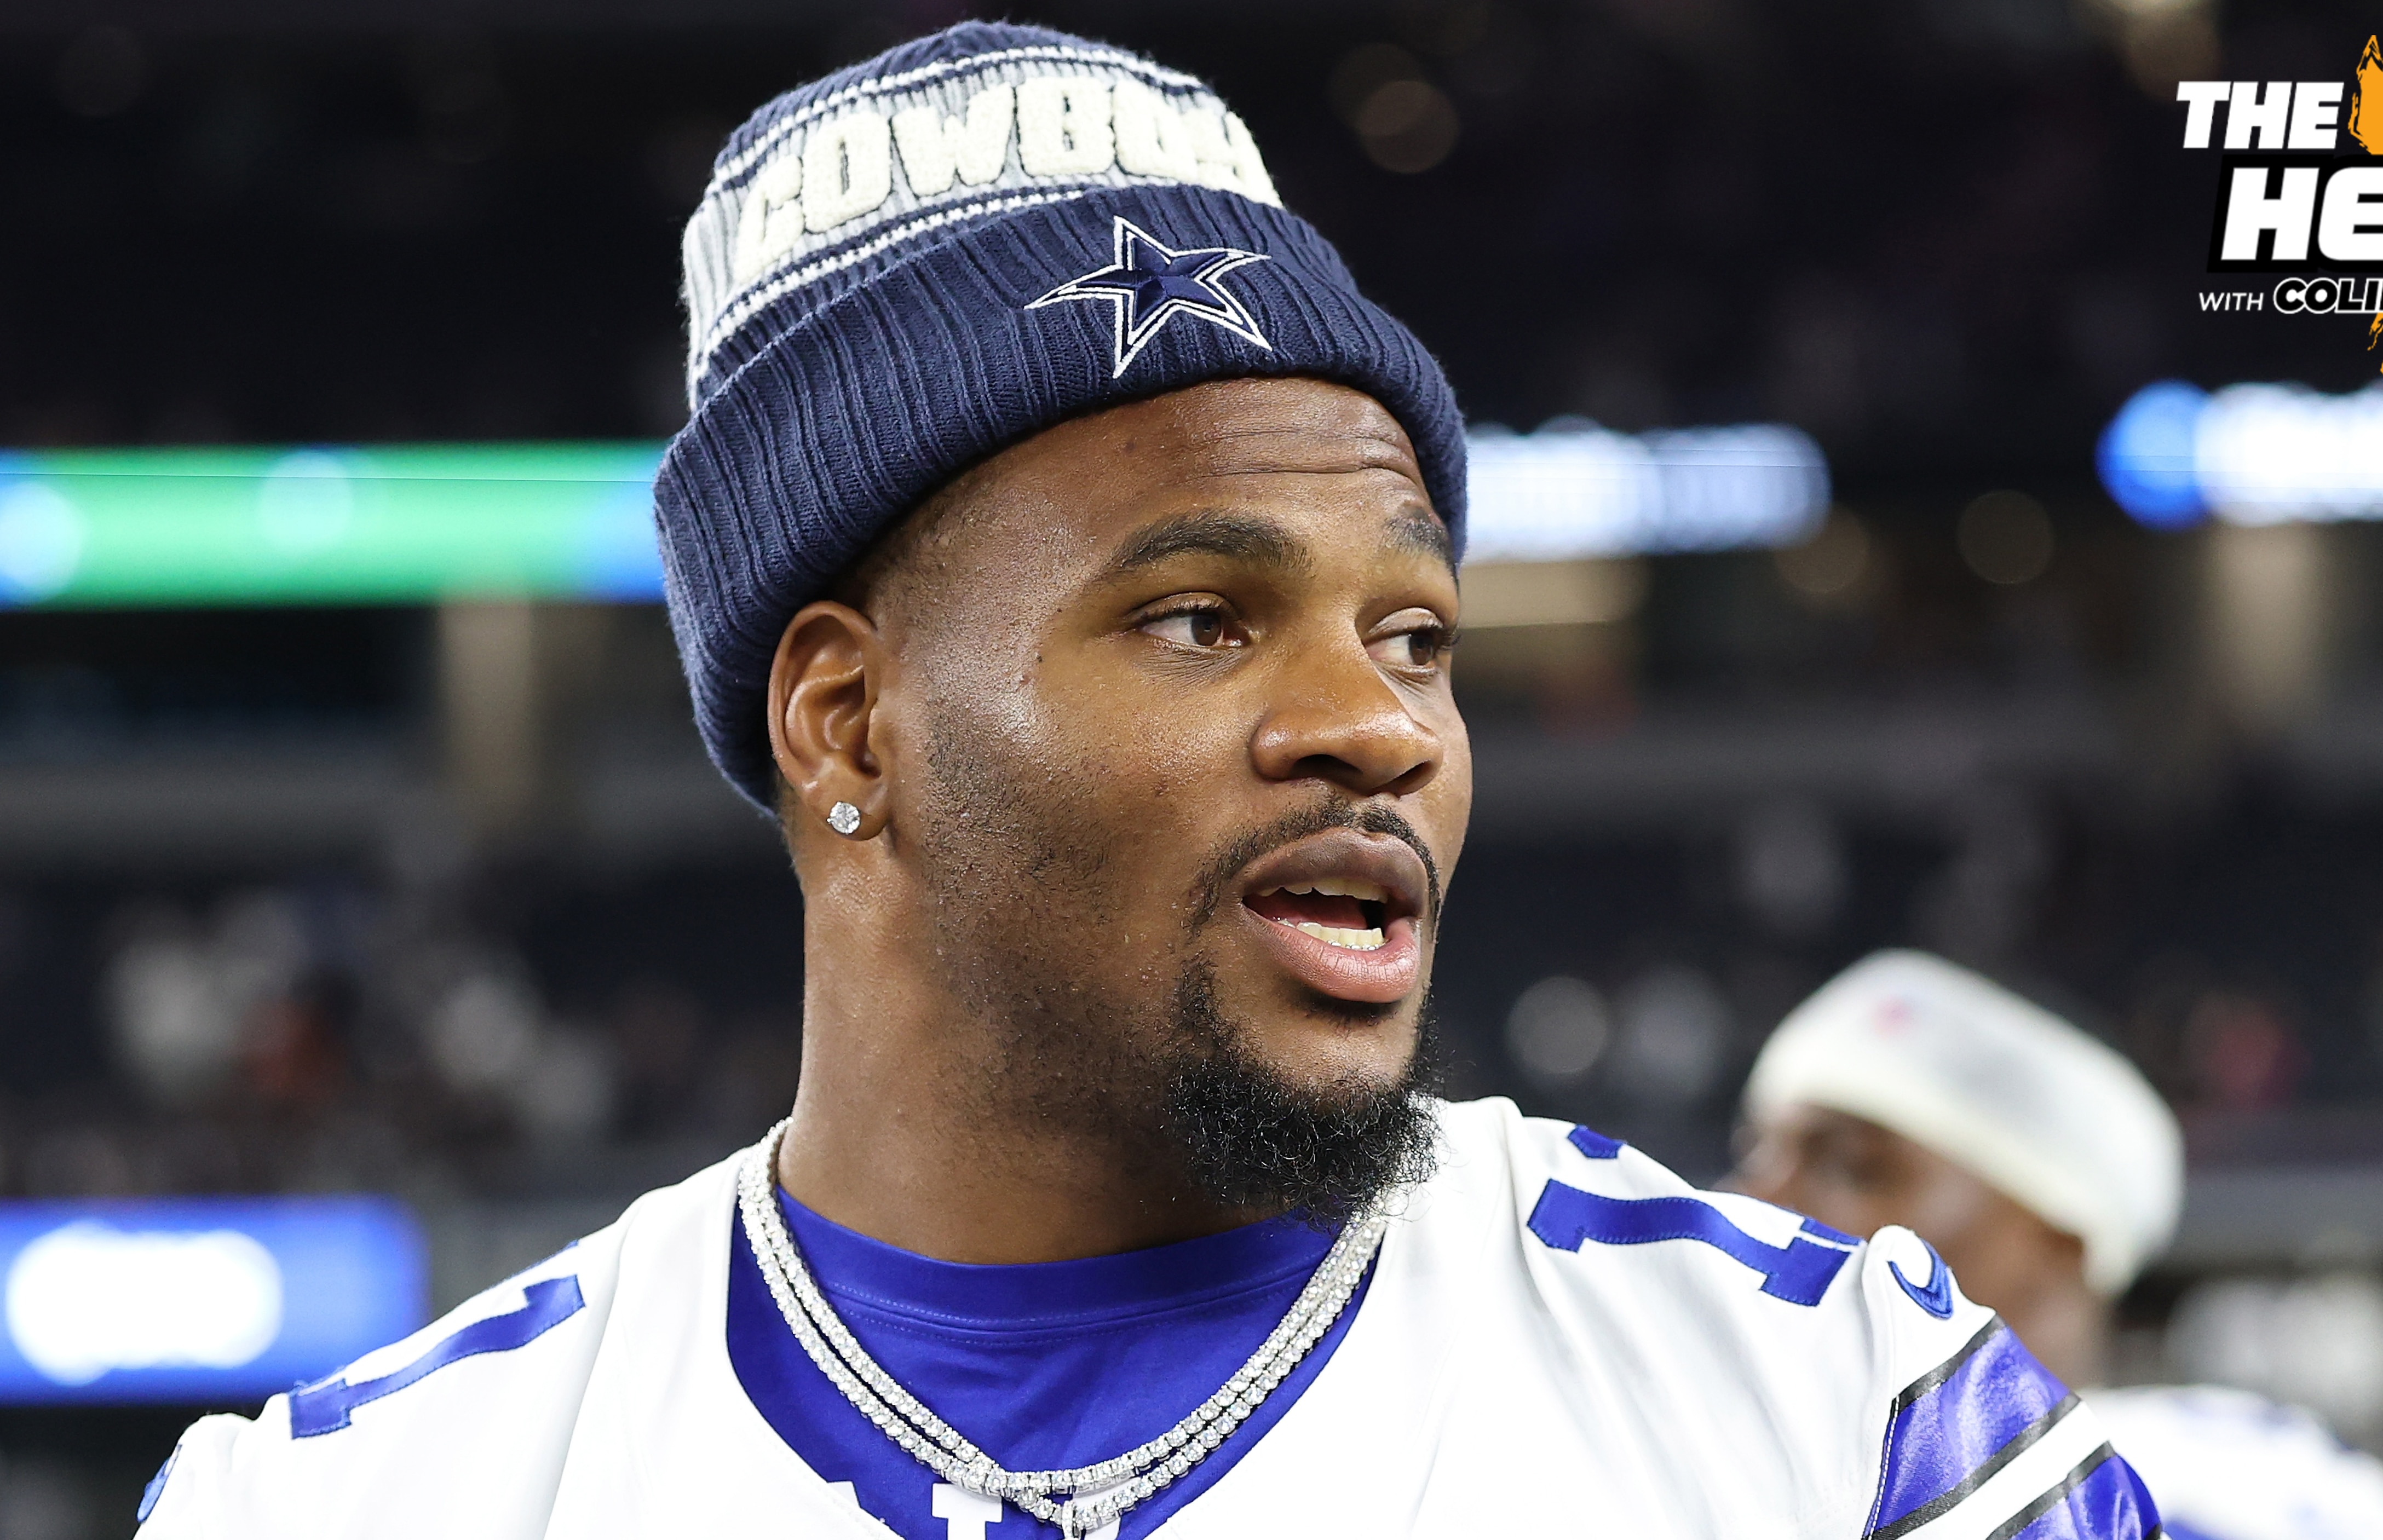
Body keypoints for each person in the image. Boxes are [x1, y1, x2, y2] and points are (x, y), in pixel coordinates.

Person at [136, 25, 2162, 1540]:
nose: (1376, 724)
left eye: (1414, 633)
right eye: (1203, 617)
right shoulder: (361, 1501)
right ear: (846, 721)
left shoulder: (1834, 1413)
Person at [1731, 949, 2383, 1540]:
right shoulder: (1736, 1451)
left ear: (2056, 1243)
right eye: (1753, 1154)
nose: (1753, 1196)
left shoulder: (2217, 1483)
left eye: (1853, 1167)